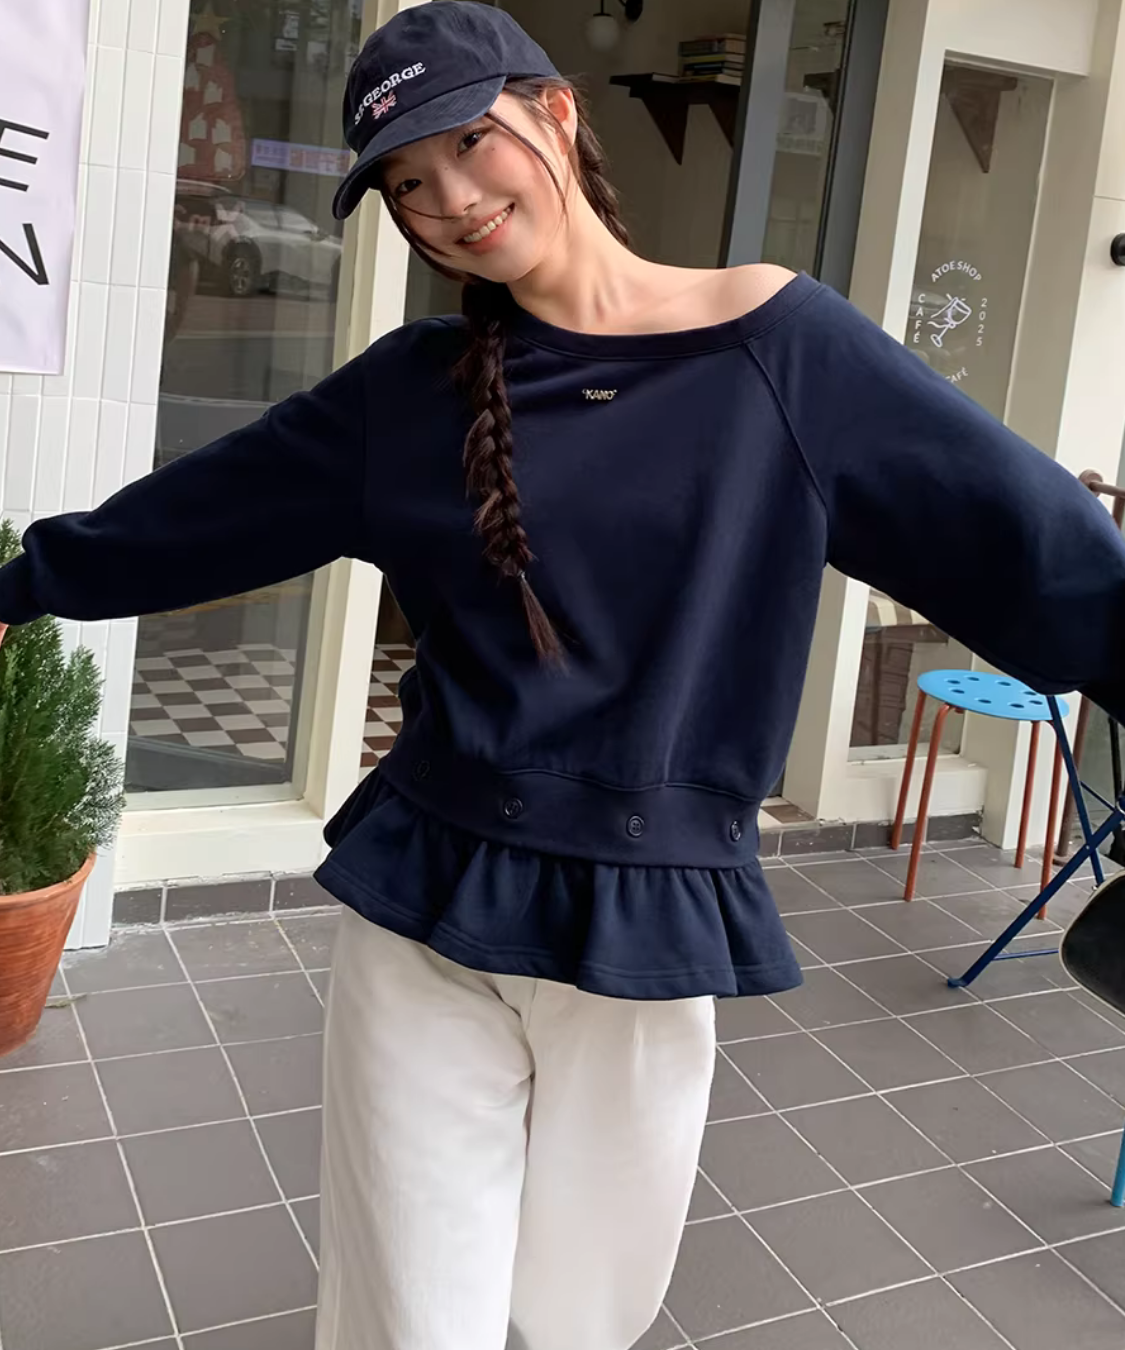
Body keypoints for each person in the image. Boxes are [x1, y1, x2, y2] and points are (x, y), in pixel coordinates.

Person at [2, 4, 1125, 1347]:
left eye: (469, 142)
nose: (450, 199)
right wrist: (19, 589)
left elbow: (1031, 547)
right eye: (407, 184)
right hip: (427, 907)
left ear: (559, 113)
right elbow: (199, 515)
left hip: (647, 927)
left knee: (581, 1318)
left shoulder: (781, 350)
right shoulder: (409, 393)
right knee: (412, 1321)